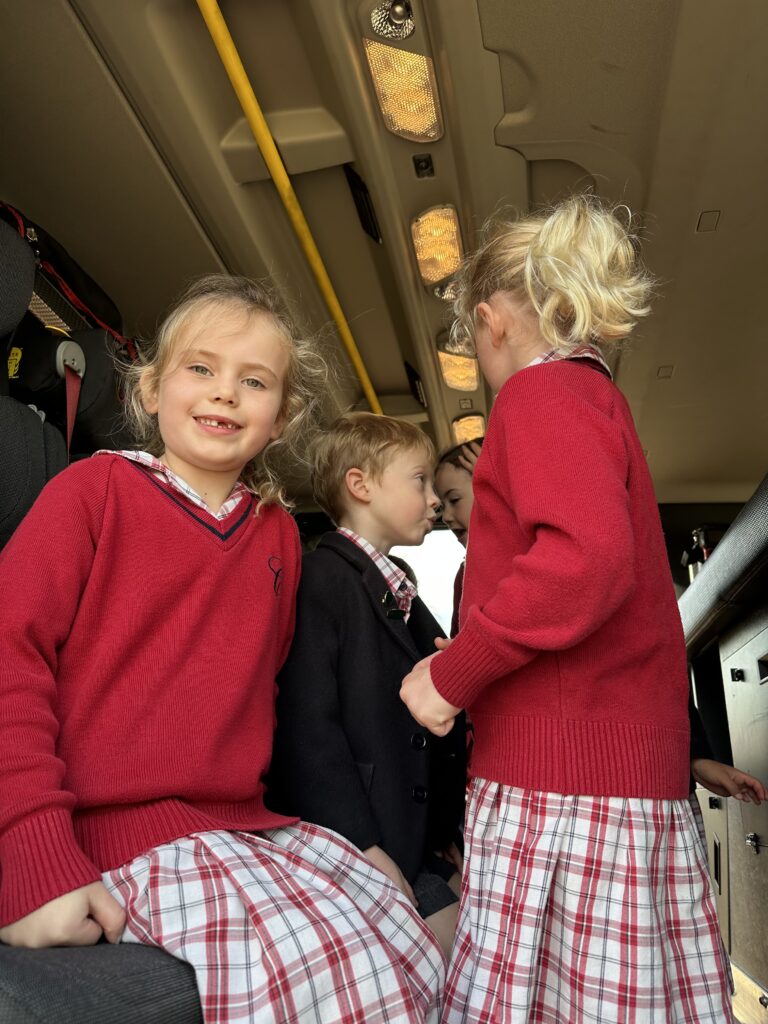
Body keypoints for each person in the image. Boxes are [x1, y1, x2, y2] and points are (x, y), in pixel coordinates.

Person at [0, 276, 445, 1023]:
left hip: (245, 827)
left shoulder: (276, 536)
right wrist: (32, 861)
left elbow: (268, 691)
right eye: (200, 369)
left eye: (254, 381)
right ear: (150, 389)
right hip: (113, 836)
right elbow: (10, 661)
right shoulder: (92, 491)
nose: (224, 394)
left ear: (282, 418)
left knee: (406, 949)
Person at [400, 196, 754, 1023]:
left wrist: (454, 674)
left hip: (556, 784)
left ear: (489, 323)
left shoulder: (539, 396)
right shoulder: (595, 399)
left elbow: (582, 564)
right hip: (616, 785)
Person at [435, 442, 767, 806]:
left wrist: (693, 756)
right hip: (516, 775)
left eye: (454, 499)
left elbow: (641, 666)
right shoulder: (464, 581)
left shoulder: (565, 569)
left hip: (604, 779)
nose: (445, 515)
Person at [269, 412, 466, 958]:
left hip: (415, 837)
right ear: (360, 486)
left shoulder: (404, 595)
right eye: (419, 480)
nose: (434, 500)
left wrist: (443, 830)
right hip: (359, 837)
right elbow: (308, 728)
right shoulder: (323, 581)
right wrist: (362, 844)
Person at [434, 439, 483, 637]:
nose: (445, 517)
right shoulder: (464, 574)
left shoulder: (533, 556)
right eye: (442, 507)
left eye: (454, 500)